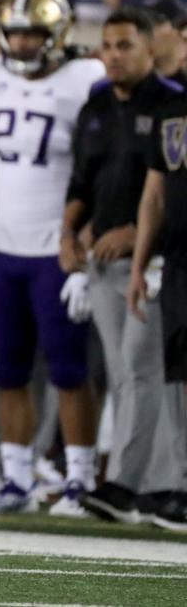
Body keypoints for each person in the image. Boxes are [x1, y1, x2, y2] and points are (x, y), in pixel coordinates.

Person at [0, 0, 105, 515]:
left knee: (69, 369)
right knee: (6, 370)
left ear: (57, 35)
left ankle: (79, 481)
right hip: (3, 248)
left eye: (34, 34)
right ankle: (16, 478)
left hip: (57, 251)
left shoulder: (87, 80)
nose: (23, 44)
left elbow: (102, 173)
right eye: (15, 33)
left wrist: (85, 247)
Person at [62, 7, 187, 523]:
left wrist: (139, 238)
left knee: (144, 369)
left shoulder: (169, 103)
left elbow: (160, 191)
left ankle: (134, 483)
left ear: (149, 49)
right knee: (123, 372)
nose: (113, 55)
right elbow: (82, 180)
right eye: (107, 46)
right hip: (106, 261)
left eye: (124, 45)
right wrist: (69, 233)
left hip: (156, 257)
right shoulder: (95, 106)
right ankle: (148, 484)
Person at [126, 47, 187, 532]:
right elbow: (154, 195)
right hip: (180, 258)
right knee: (179, 372)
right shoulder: (174, 109)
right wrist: (140, 266)